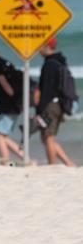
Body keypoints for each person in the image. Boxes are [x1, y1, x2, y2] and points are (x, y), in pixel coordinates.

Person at [36, 37, 75, 166]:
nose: (38, 49)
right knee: (46, 137)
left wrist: (39, 111)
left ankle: (52, 166)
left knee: (48, 137)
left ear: (47, 46)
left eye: (40, 45)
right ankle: (68, 163)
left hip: (50, 105)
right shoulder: (60, 62)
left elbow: (46, 90)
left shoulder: (49, 64)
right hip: (59, 104)